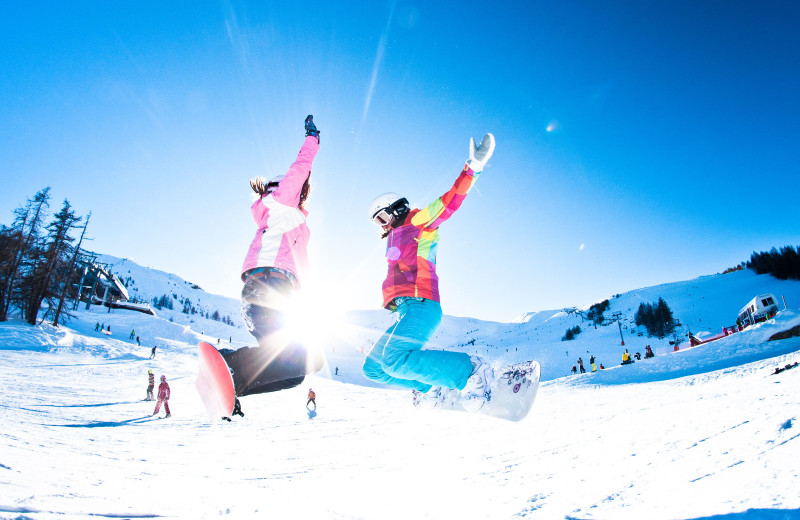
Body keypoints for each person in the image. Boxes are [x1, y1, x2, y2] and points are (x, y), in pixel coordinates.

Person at [361, 133, 497, 410]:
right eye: (378, 222)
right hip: (406, 309)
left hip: (422, 304)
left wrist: (473, 168)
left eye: (383, 218)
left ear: (396, 209)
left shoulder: (418, 221)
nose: (382, 226)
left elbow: (449, 202)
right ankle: (430, 386)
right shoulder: (394, 238)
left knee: (394, 360)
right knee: (374, 369)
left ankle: (470, 372)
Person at [219, 115, 323, 398]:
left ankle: (236, 384)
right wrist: (312, 138)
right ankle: (229, 361)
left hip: (271, 294)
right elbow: (301, 168)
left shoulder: (288, 221)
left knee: (298, 370)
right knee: (306, 358)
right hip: (269, 288)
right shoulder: (280, 204)